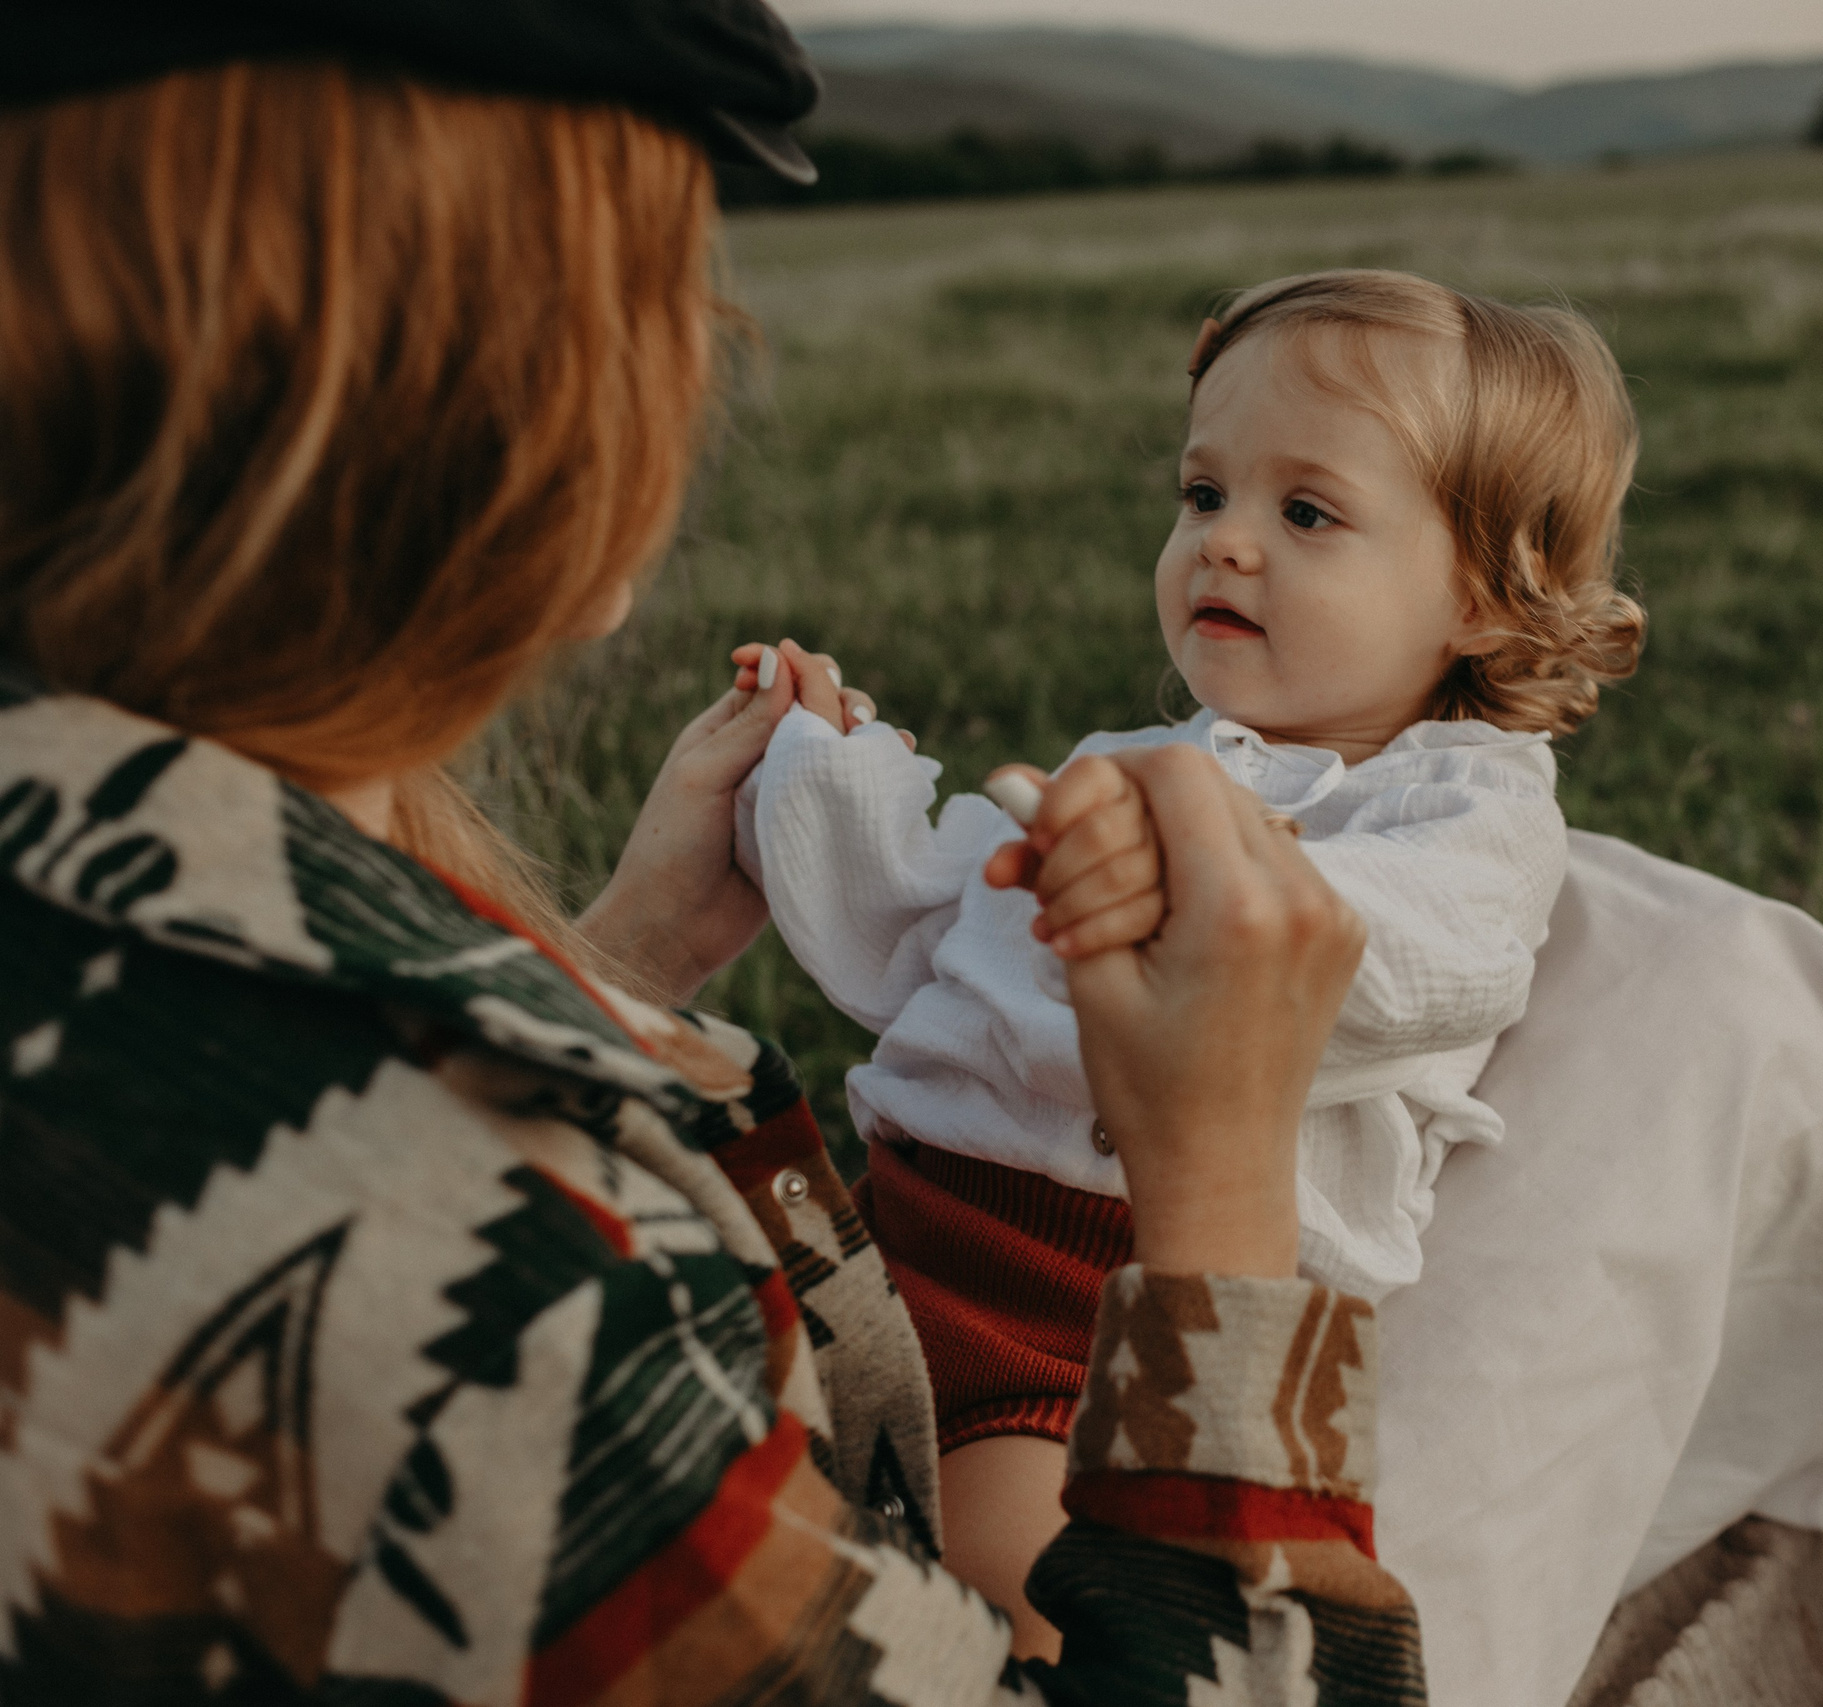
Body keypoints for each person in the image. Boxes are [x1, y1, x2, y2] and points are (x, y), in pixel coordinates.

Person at [0, 10, 1421, 1703]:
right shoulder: (507, 1318)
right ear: (463, 371)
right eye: (662, 278)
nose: (701, 348)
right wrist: (1226, 1196)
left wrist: (614, 966)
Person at [730, 271, 1641, 1649]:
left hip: (1124, 1324)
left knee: (1011, 1579)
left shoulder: (1471, 812)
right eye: (1204, 494)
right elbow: (917, 930)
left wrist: (1194, 883)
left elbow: (1411, 958)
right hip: (896, 1236)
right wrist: (814, 766)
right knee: (746, 1460)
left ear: (1485, 596)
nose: (1225, 543)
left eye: (1307, 513)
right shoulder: (1134, 763)